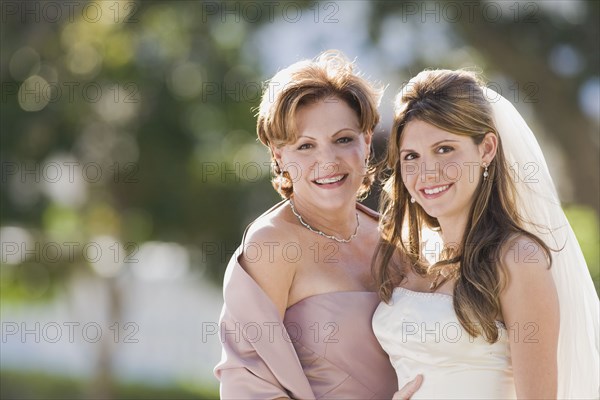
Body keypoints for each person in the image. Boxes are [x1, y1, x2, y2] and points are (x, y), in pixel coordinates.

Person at [372, 69, 600, 399]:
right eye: (411, 157)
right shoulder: (411, 259)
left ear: (486, 148)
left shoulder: (516, 259)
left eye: (445, 149)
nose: (427, 172)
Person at [214, 50, 406, 399]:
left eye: (343, 139)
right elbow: (246, 388)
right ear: (278, 155)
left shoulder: (396, 238)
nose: (327, 161)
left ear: (366, 140)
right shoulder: (272, 245)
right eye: (305, 146)